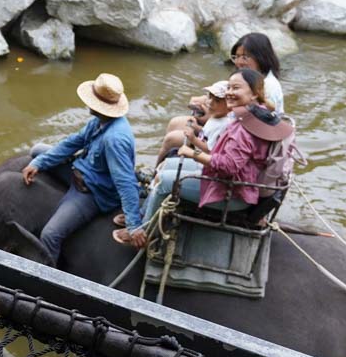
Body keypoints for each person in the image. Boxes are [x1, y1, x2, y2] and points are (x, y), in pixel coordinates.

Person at [122, 68, 293, 238]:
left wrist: (192, 153)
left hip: (232, 192)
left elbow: (228, 166)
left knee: (165, 182)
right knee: (166, 165)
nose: (230, 93)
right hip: (241, 182)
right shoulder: (257, 113)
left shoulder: (244, 128)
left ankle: (143, 232)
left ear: (255, 94)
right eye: (229, 88)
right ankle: (143, 214)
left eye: (236, 88)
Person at [22, 73, 145, 264]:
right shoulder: (99, 122)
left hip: (92, 191)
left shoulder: (114, 139)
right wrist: (39, 163)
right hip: (81, 168)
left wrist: (134, 225)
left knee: (50, 235)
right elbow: (73, 143)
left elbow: (125, 181)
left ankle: (45, 278)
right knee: (37, 151)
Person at [151, 80, 234, 168]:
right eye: (210, 97)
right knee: (172, 146)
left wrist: (193, 139)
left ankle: (156, 173)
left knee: (168, 158)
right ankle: (155, 169)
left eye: (217, 100)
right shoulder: (216, 116)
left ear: (229, 106)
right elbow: (207, 134)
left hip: (202, 160)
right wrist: (197, 127)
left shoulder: (222, 125)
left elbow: (210, 150)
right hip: (198, 148)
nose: (210, 102)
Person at [230, 32, 286, 113]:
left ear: (261, 57)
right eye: (237, 57)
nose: (239, 62)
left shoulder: (269, 86)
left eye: (245, 57)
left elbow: (262, 118)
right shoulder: (245, 79)